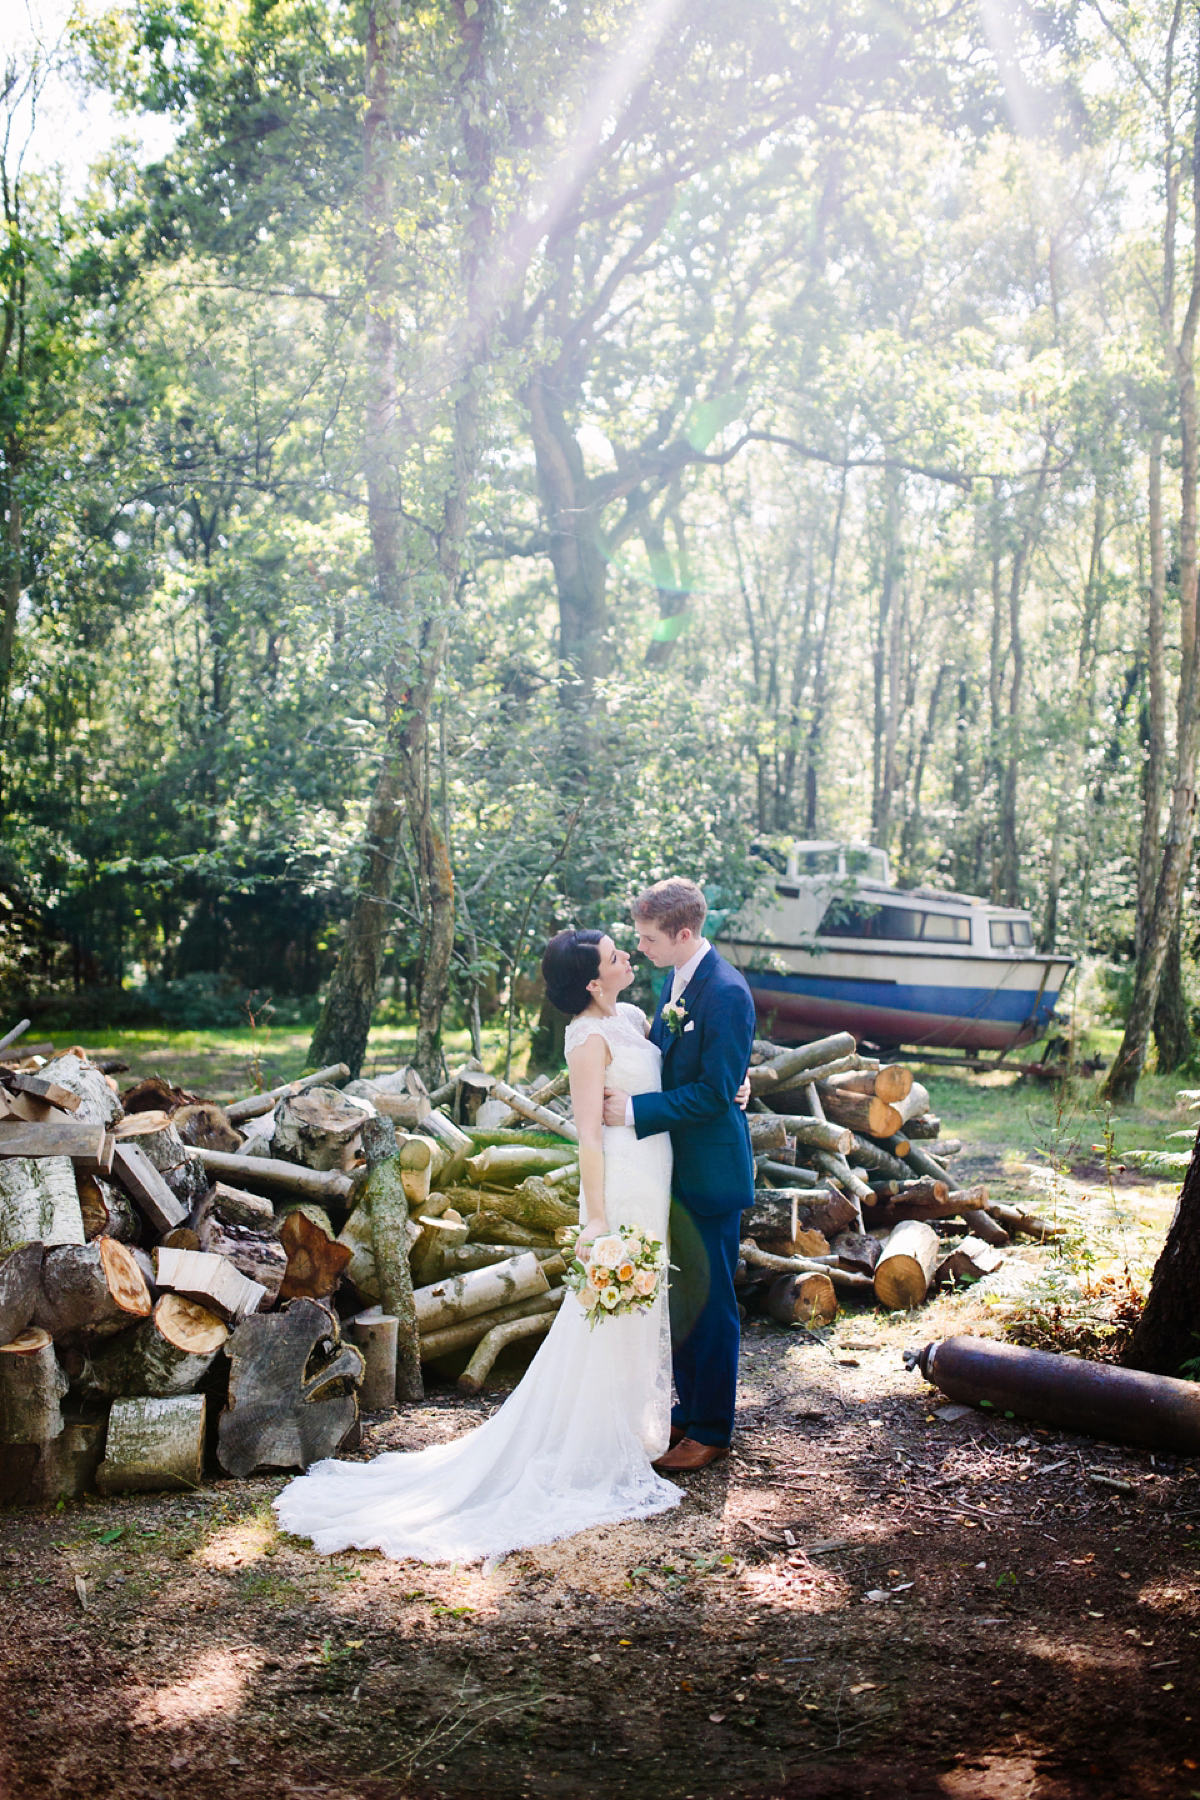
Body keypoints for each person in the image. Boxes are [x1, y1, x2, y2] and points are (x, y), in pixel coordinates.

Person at [272, 927, 682, 1563]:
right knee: (608, 1307)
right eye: (613, 955)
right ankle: (593, 1443)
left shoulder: (630, 1015)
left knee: (638, 1302)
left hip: (654, 1174)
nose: (627, 954)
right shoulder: (587, 1039)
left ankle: (625, 1426)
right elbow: (590, 1137)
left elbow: (663, 1086)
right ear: (593, 981)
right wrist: (595, 1217)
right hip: (620, 1183)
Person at [603, 877, 756, 1471]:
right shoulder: (680, 977)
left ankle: (712, 1429)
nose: (639, 947)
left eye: (647, 939)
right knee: (685, 1296)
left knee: (713, 1302)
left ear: (684, 934)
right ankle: (688, 1413)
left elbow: (716, 1092)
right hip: (673, 1168)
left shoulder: (726, 991)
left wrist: (637, 1110)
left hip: (711, 1172)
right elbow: (707, 1066)